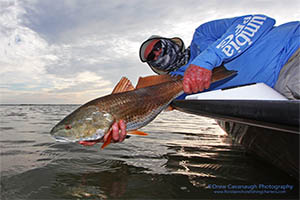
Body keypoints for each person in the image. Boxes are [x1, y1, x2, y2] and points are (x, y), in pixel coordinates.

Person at [81, 14, 300, 146]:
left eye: (158, 46)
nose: (156, 53)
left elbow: (258, 21)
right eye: (151, 57)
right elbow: (139, 107)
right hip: (279, 96)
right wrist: (104, 132)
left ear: (172, 43)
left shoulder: (203, 36)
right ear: (154, 66)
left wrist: (206, 61)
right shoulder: (181, 90)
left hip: (292, 50)